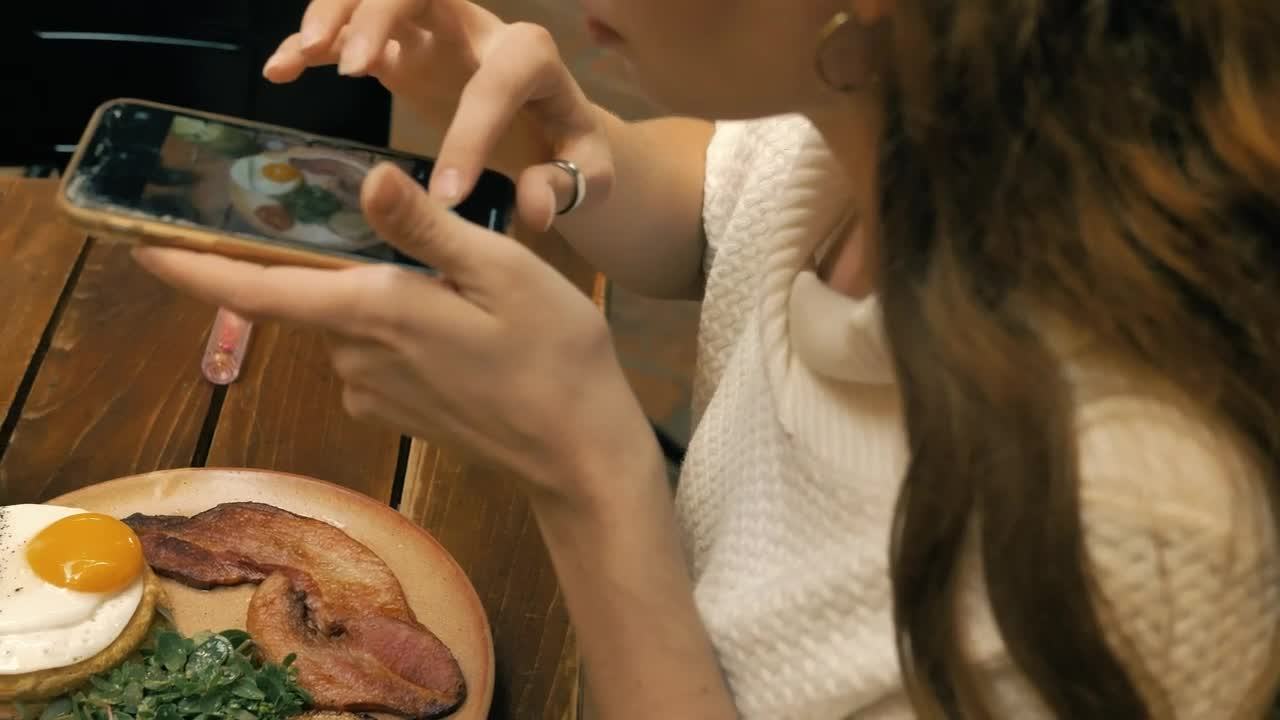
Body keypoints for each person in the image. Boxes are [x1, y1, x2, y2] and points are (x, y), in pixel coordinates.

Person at [134, 0, 1280, 717]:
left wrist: (589, 482)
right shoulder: (902, 119)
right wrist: (562, 143)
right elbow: (718, 205)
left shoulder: (1133, 538)